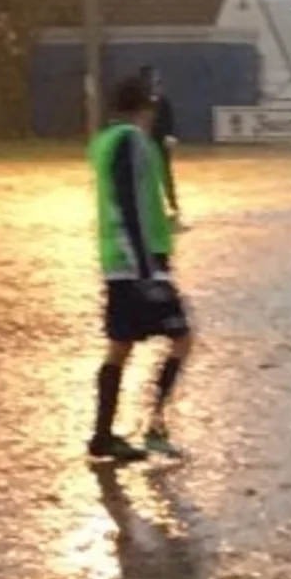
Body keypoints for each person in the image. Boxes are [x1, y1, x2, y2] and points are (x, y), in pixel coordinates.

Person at [88, 75, 194, 462]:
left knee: (120, 346)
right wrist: (148, 269)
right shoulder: (131, 141)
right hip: (140, 262)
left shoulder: (104, 140)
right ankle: (155, 424)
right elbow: (129, 202)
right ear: (144, 107)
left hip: (118, 262)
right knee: (182, 337)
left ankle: (102, 436)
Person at [140, 65, 181, 226]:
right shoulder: (140, 102)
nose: (155, 83)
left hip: (161, 142)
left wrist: (170, 135)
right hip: (144, 143)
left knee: (165, 173)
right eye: (152, 79)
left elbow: (169, 119)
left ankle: (172, 204)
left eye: (157, 80)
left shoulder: (163, 101)